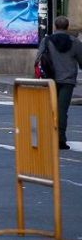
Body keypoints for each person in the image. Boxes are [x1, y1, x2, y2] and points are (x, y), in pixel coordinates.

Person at [37, 15, 82, 150]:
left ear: (55, 26)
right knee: (62, 111)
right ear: (67, 27)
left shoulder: (47, 40)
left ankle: (47, 137)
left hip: (50, 79)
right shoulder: (75, 42)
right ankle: (60, 139)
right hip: (68, 80)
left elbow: (38, 58)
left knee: (50, 108)